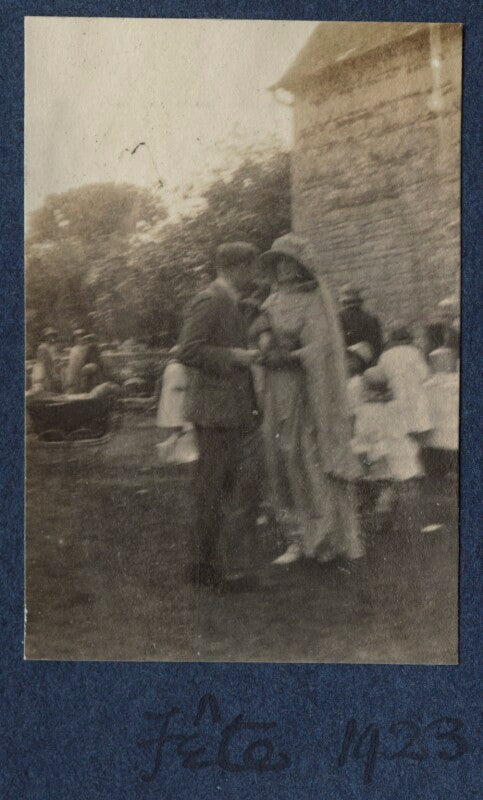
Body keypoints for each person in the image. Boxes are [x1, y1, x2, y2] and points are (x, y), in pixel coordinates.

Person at [252, 234, 364, 566]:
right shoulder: (270, 302)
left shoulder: (314, 300)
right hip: (276, 390)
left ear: (300, 266)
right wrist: (264, 350)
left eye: (289, 262)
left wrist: (289, 356)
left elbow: (321, 347)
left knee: (306, 456)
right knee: (279, 457)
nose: (283, 268)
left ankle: (326, 536)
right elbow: (260, 338)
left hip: (305, 390)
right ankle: (296, 537)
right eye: (278, 262)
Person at [176, 241, 262, 591]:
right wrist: (234, 357)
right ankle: (211, 568)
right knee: (212, 490)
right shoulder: (211, 300)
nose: (254, 275)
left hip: (228, 410)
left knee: (218, 489)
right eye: (251, 267)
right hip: (215, 413)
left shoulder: (230, 301)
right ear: (237, 267)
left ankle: (205, 566)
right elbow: (188, 350)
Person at [338, 284, 383, 363]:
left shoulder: (339, 319)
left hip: (347, 362)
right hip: (369, 362)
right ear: (360, 302)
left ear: (343, 303)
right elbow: (378, 346)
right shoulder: (371, 318)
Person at [32, 327, 63, 393]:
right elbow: (42, 362)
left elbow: (57, 358)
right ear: (46, 337)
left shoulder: (55, 347)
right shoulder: (42, 347)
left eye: (53, 335)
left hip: (56, 369)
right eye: (50, 336)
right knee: (48, 385)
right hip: (46, 369)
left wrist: (59, 363)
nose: (52, 338)